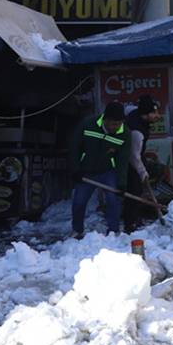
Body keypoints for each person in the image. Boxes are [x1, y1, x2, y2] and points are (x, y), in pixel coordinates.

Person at [69, 102, 130, 238]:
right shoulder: (87, 124)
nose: (116, 127)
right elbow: (74, 148)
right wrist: (75, 170)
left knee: (113, 200)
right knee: (79, 201)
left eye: (119, 124)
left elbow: (123, 160)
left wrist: (121, 182)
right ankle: (77, 229)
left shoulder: (124, 133)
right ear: (105, 119)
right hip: (86, 171)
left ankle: (113, 230)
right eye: (113, 124)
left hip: (108, 171)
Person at [124, 95, 162, 232]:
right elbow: (134, 157)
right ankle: (131, 222)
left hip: (136, 154)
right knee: (134, 189)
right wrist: (142, 172)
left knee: (141, 184)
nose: (158, 115)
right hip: (126, 159)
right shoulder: (137, 132)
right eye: (154, 113)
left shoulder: (135, 112)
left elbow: (128, 108)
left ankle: (135, 216)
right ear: (146, 115)